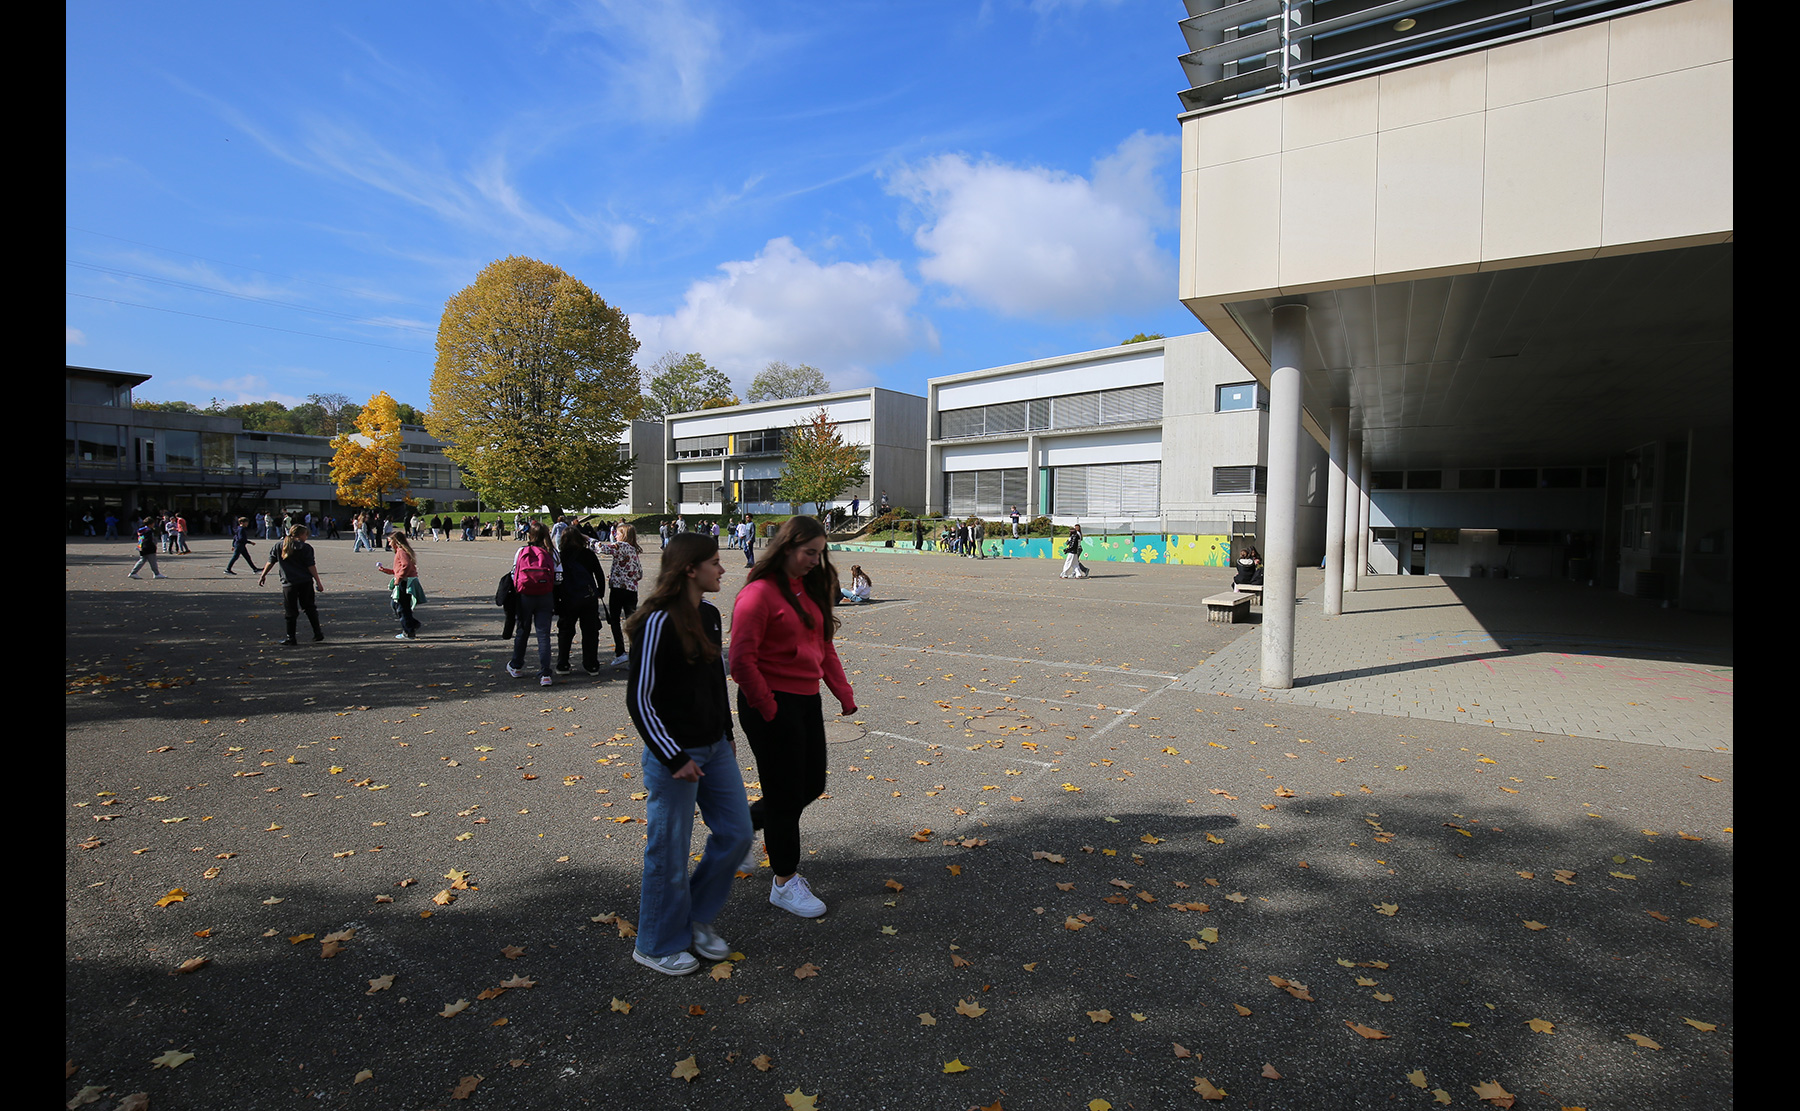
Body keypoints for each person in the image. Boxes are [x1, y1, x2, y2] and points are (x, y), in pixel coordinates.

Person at [623, 533, 751, 975]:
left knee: (737, 834)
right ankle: (655, 944)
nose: (722, 570)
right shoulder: (659, 620)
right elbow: (641, 699)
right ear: (690, 569)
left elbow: (715, 681)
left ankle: (692, 918)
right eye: (715, 563)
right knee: (669, 852)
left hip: (715, 748)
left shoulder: (711, 615)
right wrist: (674, 756)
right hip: (673, 756)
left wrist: (727, 732)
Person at [729, 515, 858, 919]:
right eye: (808, 553)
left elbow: (825, 647)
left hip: (805, 701)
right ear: (786, 548)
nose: (814, 561)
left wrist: (843, 691)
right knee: (785, 796)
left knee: (812, 784)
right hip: (768, 703)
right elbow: (740, 661)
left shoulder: (812, 589)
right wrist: (768, 707)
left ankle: (739, 827)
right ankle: (785, 882)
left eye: (820, 554)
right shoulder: (759, 593)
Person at [506, 522, 558, 686]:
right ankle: (545, 673)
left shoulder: (522, 551)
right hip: (545, 596)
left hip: (525, 595)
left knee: (523, 630)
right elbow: (559, 577)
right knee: (543, 635)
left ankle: (517, 665)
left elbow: (514, 573)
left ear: (530, 535)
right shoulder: (551, 553)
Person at [258, 524, 325, 645]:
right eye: (306, 535)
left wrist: (263, 575)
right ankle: (317, 632)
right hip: (305, 581)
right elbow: (311, 566)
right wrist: (318, 581)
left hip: (289, 583)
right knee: (309, 607)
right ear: (300, 535)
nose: (306, 537)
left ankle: (291, 637)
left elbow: (270, 562)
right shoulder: (306, 548)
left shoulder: (279, 546)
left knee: (290, 611)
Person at [553, 524, 604, 675]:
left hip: (568, 598)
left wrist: (556, 601)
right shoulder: (588, 554)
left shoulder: (561, 556)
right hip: (588, 597)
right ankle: (591, 664)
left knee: (566, 631)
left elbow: (556, 580)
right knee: (590, 631)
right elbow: (599, 574)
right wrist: (600, 592)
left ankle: (563, 663)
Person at [596, 524, 644, 667]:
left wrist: (588, 540)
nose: (615, 536)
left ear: (623, 535)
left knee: (615, 620)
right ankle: (634, 655)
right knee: (631, 621)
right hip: (631, 590)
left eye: (617, 533)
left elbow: (602, 548)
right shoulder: (634, 550)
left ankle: (620, 652)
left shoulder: (621, 546)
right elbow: (639, 573)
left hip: (618, 589)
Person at [376, 526, 423, 640]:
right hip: (406, 580)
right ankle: (412, 624)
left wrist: (399, 578)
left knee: (401, 607)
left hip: (405, 582)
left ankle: (409, 631)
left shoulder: (401, 551)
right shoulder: (401, 551)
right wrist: (386, 571)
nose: (389, 544)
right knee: (397, 605)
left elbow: (406, 566)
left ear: (396, 541)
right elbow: (400, 568)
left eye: (390, 541)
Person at [128, 515, 167, 579]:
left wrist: (140, 547)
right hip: (149, 548)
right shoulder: (149, 531)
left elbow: (141, 539)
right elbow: (149, 540)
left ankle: (133, 573)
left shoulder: (142, 530)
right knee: (152, 561)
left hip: (142, 547)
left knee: (142, 560)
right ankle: (156, 574)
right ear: (150, 524)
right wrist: (153, 546)